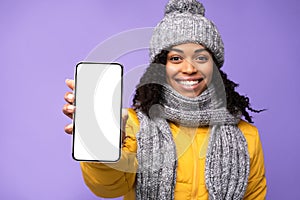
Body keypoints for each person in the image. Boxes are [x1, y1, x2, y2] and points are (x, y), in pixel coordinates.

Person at [62, 0, 267, 199]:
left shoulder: (247, 135)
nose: (189, 69)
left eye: (201, 58)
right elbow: (107, 189)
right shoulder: (132, 124)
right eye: (176, 58)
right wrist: (101, 145)